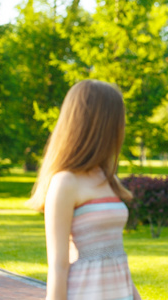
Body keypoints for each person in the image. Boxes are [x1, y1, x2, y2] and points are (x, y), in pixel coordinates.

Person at [28, 79, 141, 300]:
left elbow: (115, 255)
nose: (122, 127)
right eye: (118, 119)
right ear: (100, 123)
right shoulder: (65, 182)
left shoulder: (107, 178)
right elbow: (58, 266)